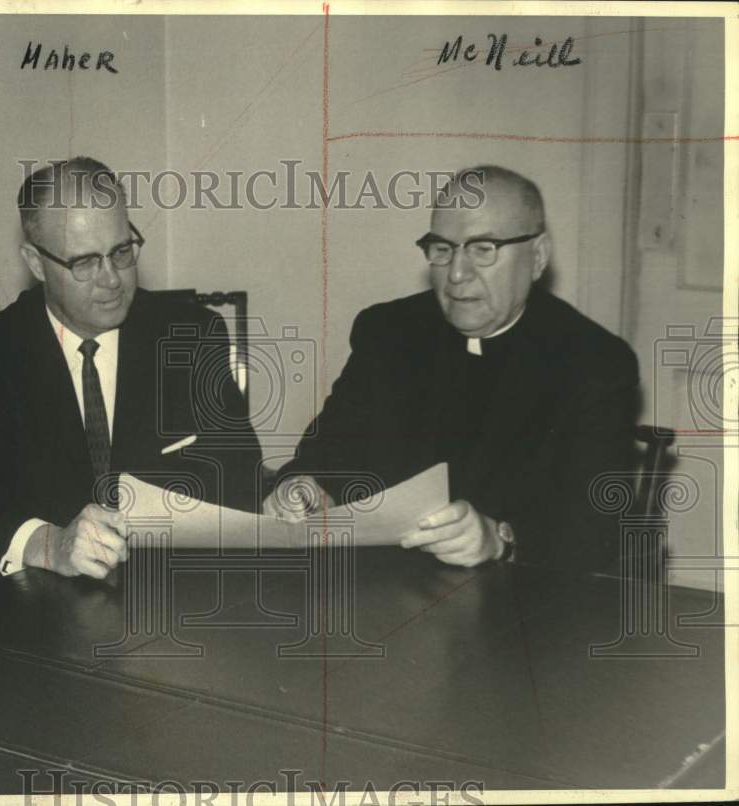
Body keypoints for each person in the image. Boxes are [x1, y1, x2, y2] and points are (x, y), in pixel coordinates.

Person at [264, 165, 639, 572]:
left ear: (538, 257)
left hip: (513, 594)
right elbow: (325, 453)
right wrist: (303, 488)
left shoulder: (593, 361)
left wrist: (501, 539)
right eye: (442, 249)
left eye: (483, 249)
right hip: (380, 584)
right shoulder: (388, 331)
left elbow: (596, 529)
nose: (457, 274)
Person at [0, 157, 262, 581]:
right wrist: (48, 544)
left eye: (121, 252)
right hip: (41, 602)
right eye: (85, 262)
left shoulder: (191, 334)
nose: (111, 279)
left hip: (171, 590)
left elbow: (240, 478)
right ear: (36, 263)